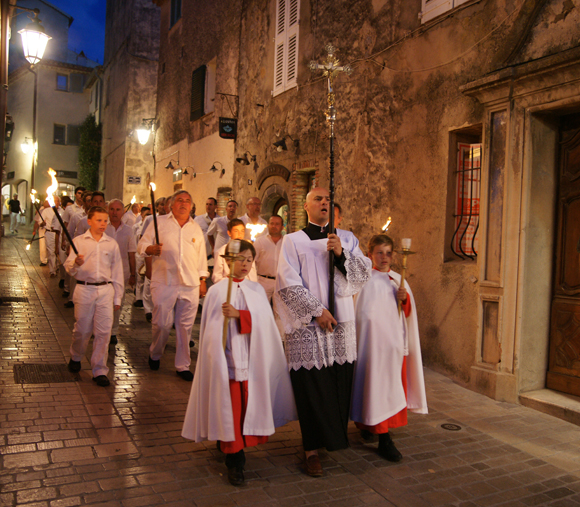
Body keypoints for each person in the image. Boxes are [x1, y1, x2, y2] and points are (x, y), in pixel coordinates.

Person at [182, 240, 297, 486]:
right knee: (228, 407)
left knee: (243, 409)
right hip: (227, 361)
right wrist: (216, 353)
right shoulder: (216, 291)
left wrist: (240, 315)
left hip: (251, 360)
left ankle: (230, 443)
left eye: (249, 260)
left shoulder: (256, 290)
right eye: (240, 258)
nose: (245, 264)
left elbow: (266, 325)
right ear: (227, 260)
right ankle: (235, 460)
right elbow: (210, 331)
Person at [275, 187, 372, 476]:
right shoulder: (292, 241)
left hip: (342, 326)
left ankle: (333, 437)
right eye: (318, 199)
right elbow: (286, 282)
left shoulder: (348, 239)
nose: (324, 203)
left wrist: (341, 254)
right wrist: (317, 312)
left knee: (337, 383)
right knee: (312, 388)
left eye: (328, 199)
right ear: (305, 206)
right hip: (310, 328)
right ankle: (311, 449)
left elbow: (361, 276)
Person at [351, 234, 428, 461]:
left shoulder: (398, 280)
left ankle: (385, 437)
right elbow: (359, 312)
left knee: (387, 390)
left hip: (392, 347)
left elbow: (406, 316)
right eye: (379, 253)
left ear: (394, 255)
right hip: (370, 346)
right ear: (370, 255)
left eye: (388, 253)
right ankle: (369, 426)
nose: (384, 257)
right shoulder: (363, 281)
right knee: (370, 387)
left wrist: (404, 300)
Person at [137, 190, 208, 381]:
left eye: (187, 201)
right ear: (171, 204)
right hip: (164, 280)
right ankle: (155, 352)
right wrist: (149, 249)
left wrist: (202, 280)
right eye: (179, 200)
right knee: (161, 323)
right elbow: (141, 245)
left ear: (192, 206)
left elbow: (201, 257)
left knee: (185, 326)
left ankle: (182, 365)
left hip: (190, 283)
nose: (183, 204)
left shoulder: (196, 228)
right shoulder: (158, 223)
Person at [64, 206, 124, 387]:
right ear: (89, 221)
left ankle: (99, 369)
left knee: (104, 332)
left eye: (105, 221)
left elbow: (117, 271)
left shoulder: (111, 244)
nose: (103, 224)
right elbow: (69, 267)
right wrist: (75, 262)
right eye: (99, 220)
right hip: (85, 289)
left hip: (105, 291)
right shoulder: (79, 241)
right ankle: (76, 355)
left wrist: (117, 297)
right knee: (82, 329)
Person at [106, 199, 137, 345]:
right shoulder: (103, 228)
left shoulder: (128, 231)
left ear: (123, 212)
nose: (115, 213)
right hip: (104, 272)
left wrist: (132, 273)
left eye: (118, 210)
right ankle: (101, 328)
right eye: (112, 209)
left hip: (121, 273)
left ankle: (113, 331)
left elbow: (131, 253)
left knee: (118, 302)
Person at [212, 219, 257, 283]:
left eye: (242, 231)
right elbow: (216, 276)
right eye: (236, 231)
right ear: (229, 233)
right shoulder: (221, 251)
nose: (240, 234)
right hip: (228, 285)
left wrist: (252, 286)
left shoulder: (248, 251)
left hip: (246, 285)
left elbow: (252, 274)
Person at [254, 215, 284, 302]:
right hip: (263, 281)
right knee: (261, 309)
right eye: (272, 224)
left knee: (280, 313)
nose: (274, 226)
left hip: (281, 282)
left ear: (282, 227)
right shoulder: (259, 241)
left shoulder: (286, 242)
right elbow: (252, 262)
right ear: (268, 225)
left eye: (277, 224)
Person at [133, 206, 151, 309]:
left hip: (149, 254)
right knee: (139, 276)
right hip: (139, 254)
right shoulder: (136, 226)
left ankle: (146, 300)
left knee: (147, 279)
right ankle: (138, 298)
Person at [194, 197, 219, 272]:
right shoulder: (198, 219)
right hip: (202, 254)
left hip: (215, 254)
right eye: (207, 204)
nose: (208, 206)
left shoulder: (220, 220)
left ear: (215, 206)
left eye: (210, 204)